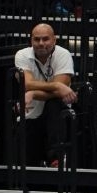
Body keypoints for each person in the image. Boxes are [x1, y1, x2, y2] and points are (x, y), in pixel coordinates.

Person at [15, 20, 76, 165]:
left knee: (54, 104)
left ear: (54, 40)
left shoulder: (63, 54)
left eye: (45, 39)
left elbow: (60, 92)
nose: (41, 43)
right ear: (31, 41)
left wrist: (34, 94)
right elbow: (27, 84)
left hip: (58, 114)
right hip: (31, 113)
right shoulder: (22, 55)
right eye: (36, 39)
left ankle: (57, 159)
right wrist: (56, 85)